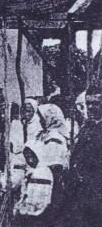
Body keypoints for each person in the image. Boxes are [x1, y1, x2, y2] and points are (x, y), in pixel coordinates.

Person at [65, 85, 102, 226]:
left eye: (96, 104)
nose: (91, 107)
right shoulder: (87, 127)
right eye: (88, 103)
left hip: (96, 196)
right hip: (79, 195)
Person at [13, 141, 55, 227]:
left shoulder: (42, 171)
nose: (29, 160)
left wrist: (23, 210)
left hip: (36, 215)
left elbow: (38, 199)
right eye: (27, 157)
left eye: (32, 156)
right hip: (30, 213)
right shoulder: (34, 170)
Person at [36, 103, 69, 168]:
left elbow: (54, 164)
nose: (40, 121)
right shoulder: (46, 134)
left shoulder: (54, 137)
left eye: (42, 118)